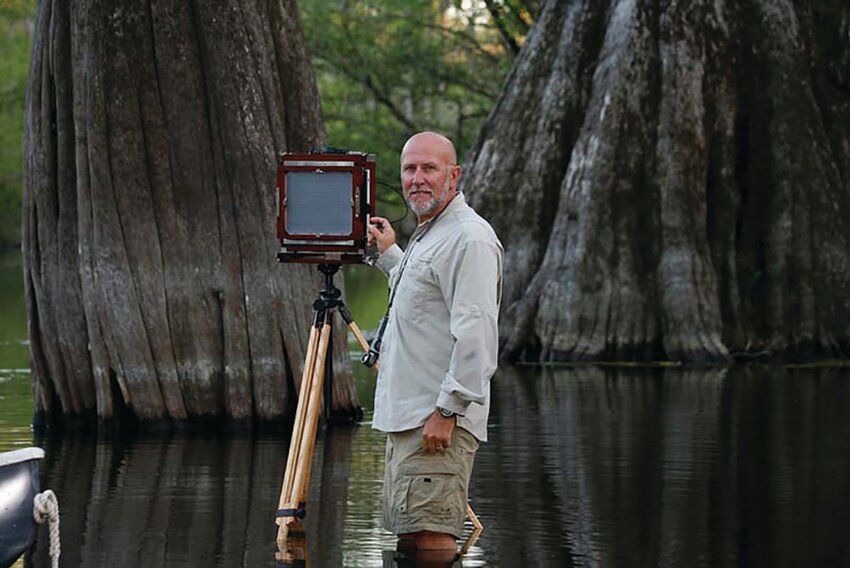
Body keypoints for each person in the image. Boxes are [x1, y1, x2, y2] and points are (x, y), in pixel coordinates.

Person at [367, 132, 503, 554]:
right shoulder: (433, 234)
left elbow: (477, 333)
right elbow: (421, 298)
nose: (417, 179)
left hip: (437, 421)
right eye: (410, 169)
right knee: (412, 536)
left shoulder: (469, 238)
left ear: (454, 174)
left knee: (429, 540)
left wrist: (447, 411)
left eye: (430, 168)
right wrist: (390, 255)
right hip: (411, 419)